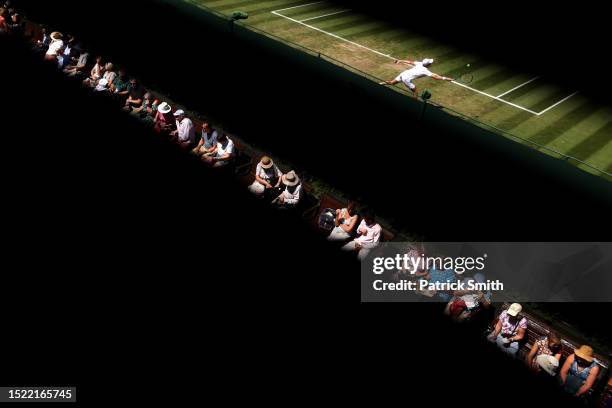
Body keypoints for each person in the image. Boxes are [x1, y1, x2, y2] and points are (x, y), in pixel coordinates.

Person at [380, 58, 453, 96]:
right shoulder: (425, 70)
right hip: (406, 79)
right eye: (430, 63)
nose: (431, 63)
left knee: (392, 83)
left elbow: (410, 62)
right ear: (428, 65)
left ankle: (381, 84)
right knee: (416, 92)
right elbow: (435, 77)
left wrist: (400, 60)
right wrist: (445, 78)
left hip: (403, 74)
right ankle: (415, 103)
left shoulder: (420, 63)